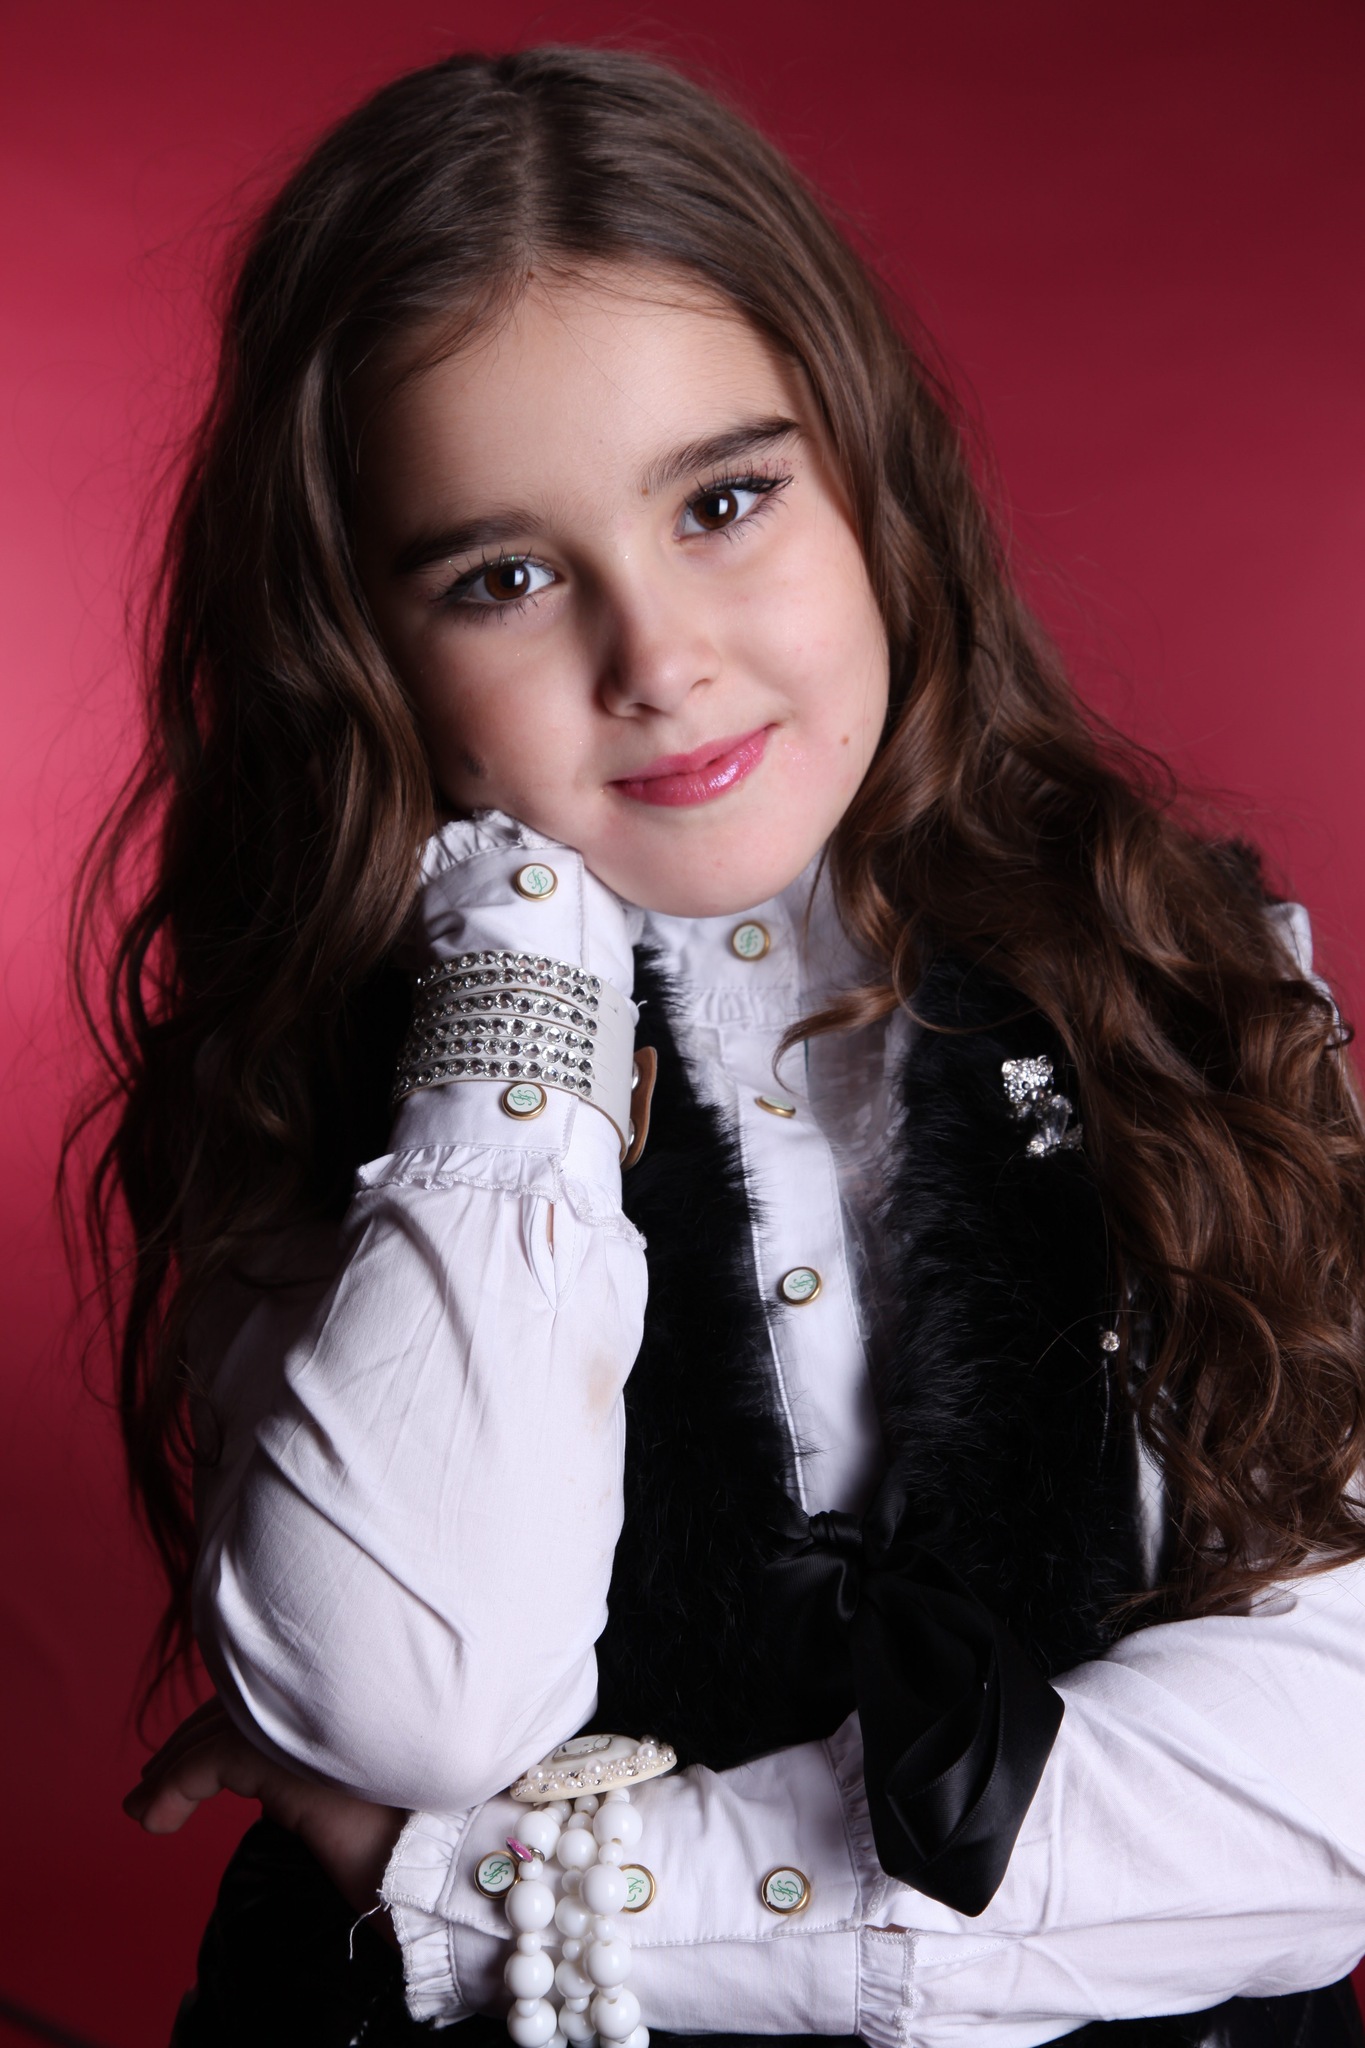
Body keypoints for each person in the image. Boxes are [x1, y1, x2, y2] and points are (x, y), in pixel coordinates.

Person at [80, 44, 1365, 2048]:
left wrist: (501, 1894)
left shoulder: (1185, 980)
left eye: (724, 500)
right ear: (360, 651)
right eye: (503, 578)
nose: (658, 659)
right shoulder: (330, 1080)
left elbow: (1319, 1793)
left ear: (870, 484)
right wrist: (521, 967)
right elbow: (418, 1703)